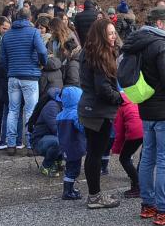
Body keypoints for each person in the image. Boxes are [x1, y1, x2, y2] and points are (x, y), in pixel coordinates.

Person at [125, 7, 165, 225]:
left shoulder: (137, 43)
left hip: (147, 109)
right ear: (160, 23)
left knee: (148, 158)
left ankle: (148, 204)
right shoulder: (161, 45)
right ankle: (163, 209)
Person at [77, 18, 125, 209]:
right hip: (97, 111)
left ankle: (94, 195)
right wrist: (121, 98)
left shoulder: (89, 52)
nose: (113, 37)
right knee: (95, 153)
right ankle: (95, 197)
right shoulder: (100, 55)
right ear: (100, 35)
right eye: (110, 33)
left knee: (94, 153)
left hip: (91, 108)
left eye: (114, 32)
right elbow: (103, 88)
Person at [0, 8, 48, 155]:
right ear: (29, 18)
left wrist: (10, 69)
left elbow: (3, 58)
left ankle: (11, 144)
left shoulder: (7, 35)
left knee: (13, 111)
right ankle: (30, 145)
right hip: (30, 76)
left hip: (13, 76)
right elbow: (42, 51)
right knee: (30, 111)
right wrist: (42, 63)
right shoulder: (34, 33)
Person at [57, 86, 87, 200]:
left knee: (70, 168)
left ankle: (69, 189)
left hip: (65, 146)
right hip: (75, 146)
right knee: (74, 170)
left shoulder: (60, 115)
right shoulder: (75, 114)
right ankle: (67, 191)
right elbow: (82, 128)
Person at [112, 91, 143, 198]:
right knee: (144, 159)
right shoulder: (136, 102)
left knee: (124, 158)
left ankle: (137, 187)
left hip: (135, 133)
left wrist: (115, 149)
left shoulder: (120, 108)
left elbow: (119, 133)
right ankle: (143, 184)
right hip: (147, 130)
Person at [30, 87, 63, 177]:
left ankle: (57, 161)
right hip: (39, 141)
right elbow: (56, 129)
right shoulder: (52, 106)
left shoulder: (61, 105)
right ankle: (46, 166)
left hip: (49, 138)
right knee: (60, 141)